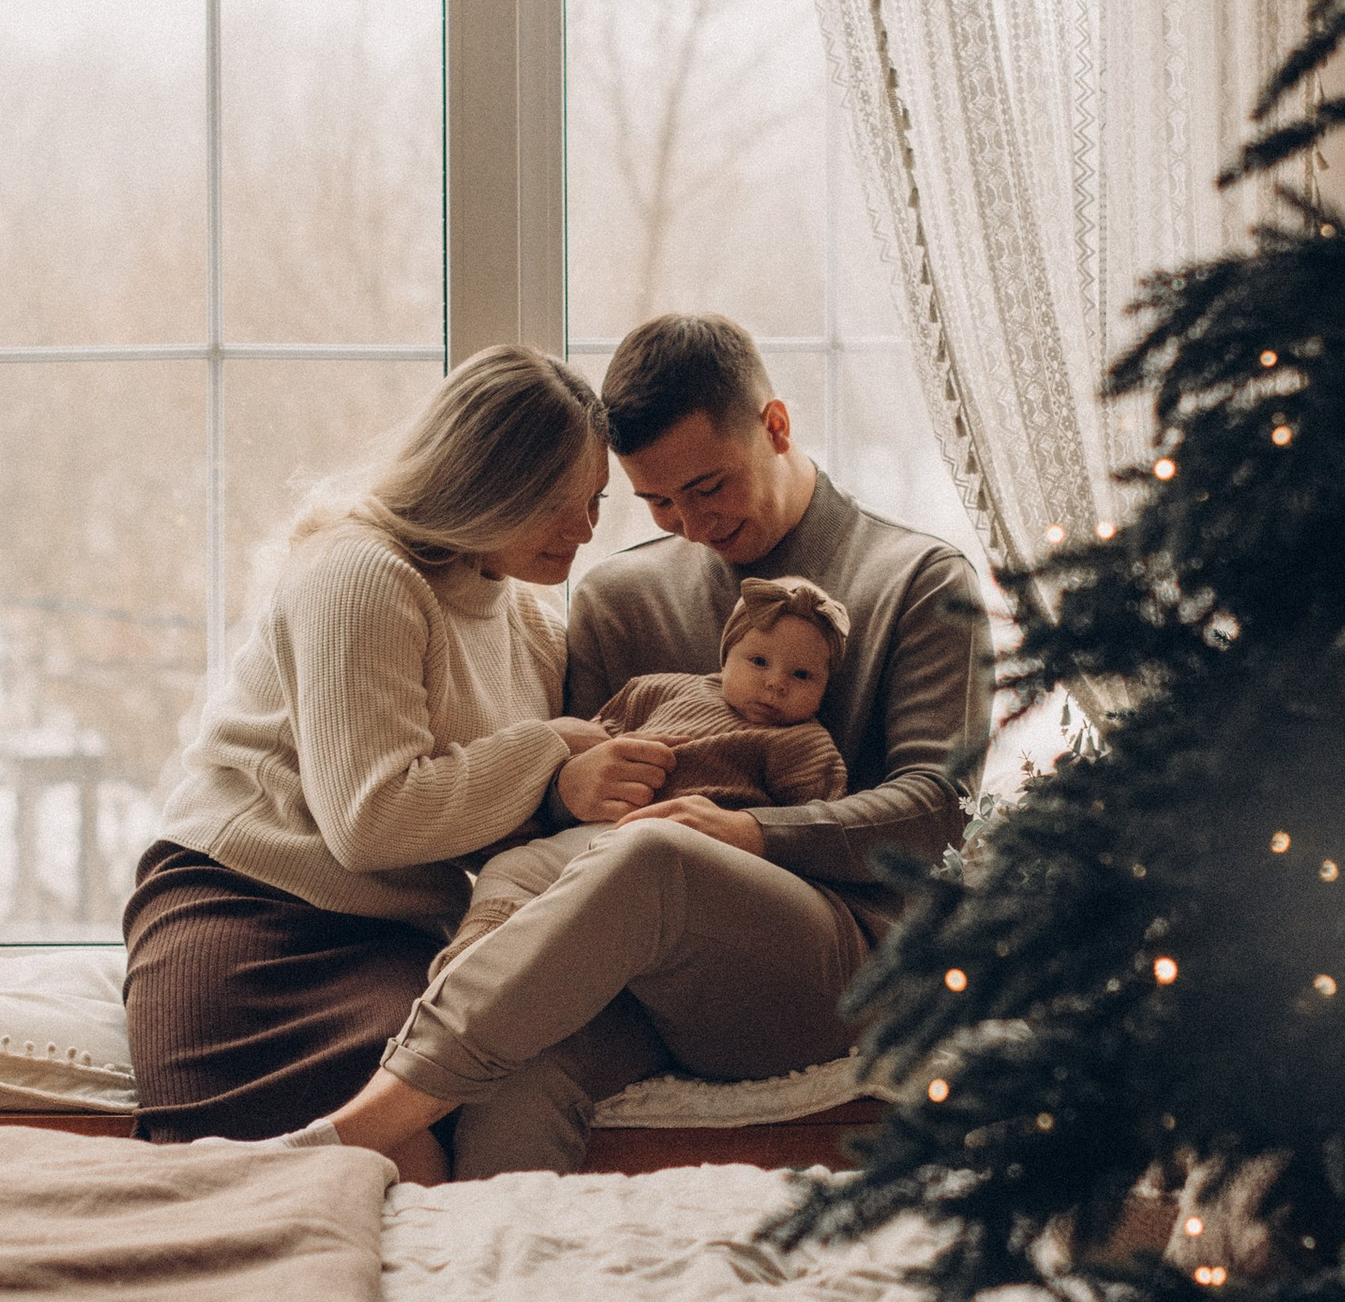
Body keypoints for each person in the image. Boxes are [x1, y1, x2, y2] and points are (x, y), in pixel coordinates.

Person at [290, 311, 993, 1177]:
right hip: (641, 971)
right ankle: (486, 1255)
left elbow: (940, 812)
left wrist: (754, 833)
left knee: (654, 855)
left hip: (844, 963)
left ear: (776, 426)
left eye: (709, 487)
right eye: (657, 501)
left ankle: (355, 1130)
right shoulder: (619, 599)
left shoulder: (919, 581)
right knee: (520, 1064)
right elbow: (556, 825)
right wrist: (566, 789)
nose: (689, 523)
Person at [121, 345, 617, 1181]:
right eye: (555, 504)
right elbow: (371, 821)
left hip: (391, 939)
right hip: (243, 913)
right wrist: (549, 750)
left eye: (596, 500)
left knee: (440, 1133)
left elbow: (494, 819)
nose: (585, 531)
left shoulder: (531, 630)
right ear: (480, 483)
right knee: (357, 1169)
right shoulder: (360, 573)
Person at [427, 572, 851, 979]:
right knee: (511, 867)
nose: (775, 684)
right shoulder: (662, 689)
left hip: (679, 859)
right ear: (726, 656)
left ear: (826, 686)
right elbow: (594, 741)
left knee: (590, 903)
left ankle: (512, 968)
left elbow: (810, 830)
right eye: (759, 661)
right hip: (598, 830)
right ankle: (476, 950)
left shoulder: (804, 743)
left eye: (801, 675)